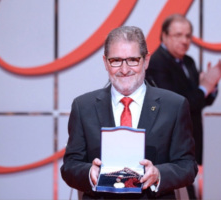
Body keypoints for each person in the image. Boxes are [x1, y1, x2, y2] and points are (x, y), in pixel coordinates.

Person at [61, 26, 198, 199]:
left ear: (146, 60)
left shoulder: (174, 106)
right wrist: (89, 173)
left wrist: (158, 173)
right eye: (116, 60)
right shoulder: (83, 106)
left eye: (133, 60)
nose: (124, 69)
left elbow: (187, 166)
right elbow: (69, 166)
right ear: (105, 62)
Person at [145, 14, 221, 198]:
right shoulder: (157, 63)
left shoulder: (188, 61)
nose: (184, 40)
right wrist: (205, 86)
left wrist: (210, 87)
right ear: (164, 35)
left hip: (191, 140)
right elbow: (177, 105)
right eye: (178, 35)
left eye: (188, 36)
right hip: (171, 146)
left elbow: (200, 102)